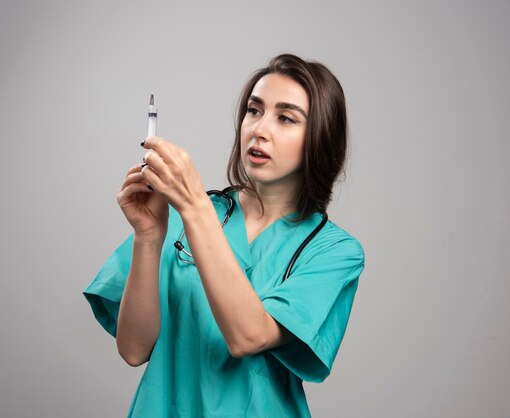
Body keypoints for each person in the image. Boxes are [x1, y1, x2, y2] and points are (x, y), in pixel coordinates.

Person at [83, 53, 365, 417]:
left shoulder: (333, 252)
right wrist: (149, 237)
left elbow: (248, 336)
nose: (259, 130)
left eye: (286, 118)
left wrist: (192, 208)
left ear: (321, 137)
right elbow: (134, 349)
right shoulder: (190, 214)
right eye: (254, 110)